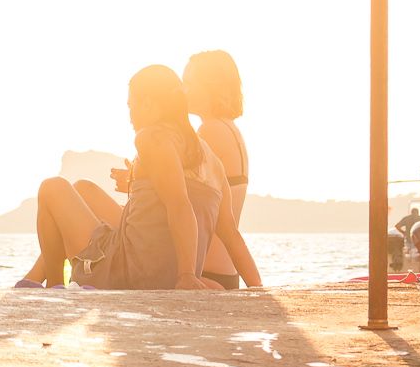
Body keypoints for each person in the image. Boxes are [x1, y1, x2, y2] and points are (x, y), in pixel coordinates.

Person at [18, 64, 262, 292]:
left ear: (149, 104)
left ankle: (53, 288)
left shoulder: (152, 138)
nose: (130, 115)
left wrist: (186, 276)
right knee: (83, 188)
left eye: (131, 106)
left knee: (52, 188)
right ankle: (46, 283)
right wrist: (257, 289)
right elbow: (232, 236)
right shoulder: (212, 161)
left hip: (131, 272)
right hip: (162, 271)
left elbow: (180, 204)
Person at [182, 49, 250, 287]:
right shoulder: (230, 130)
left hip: (206, 273)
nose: (182, 89)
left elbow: (180, 201)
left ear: (211, 86)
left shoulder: (209, 132)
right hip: (227, 272)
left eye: (189, 82)